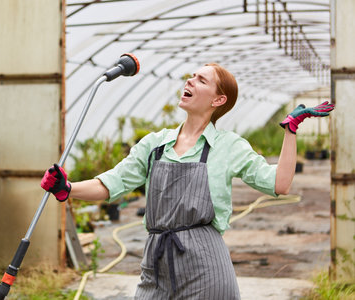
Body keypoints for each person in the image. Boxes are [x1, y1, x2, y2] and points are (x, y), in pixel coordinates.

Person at [41, 63, 335, 299]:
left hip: (204, 261)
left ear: (218, 100)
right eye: (191, 76)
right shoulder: (156, 144)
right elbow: (111, 183)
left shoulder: (228, 146)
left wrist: (290, 131)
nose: (190, 81)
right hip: (156, 261)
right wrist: (67, 189)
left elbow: (279, 184)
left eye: (201, 80)